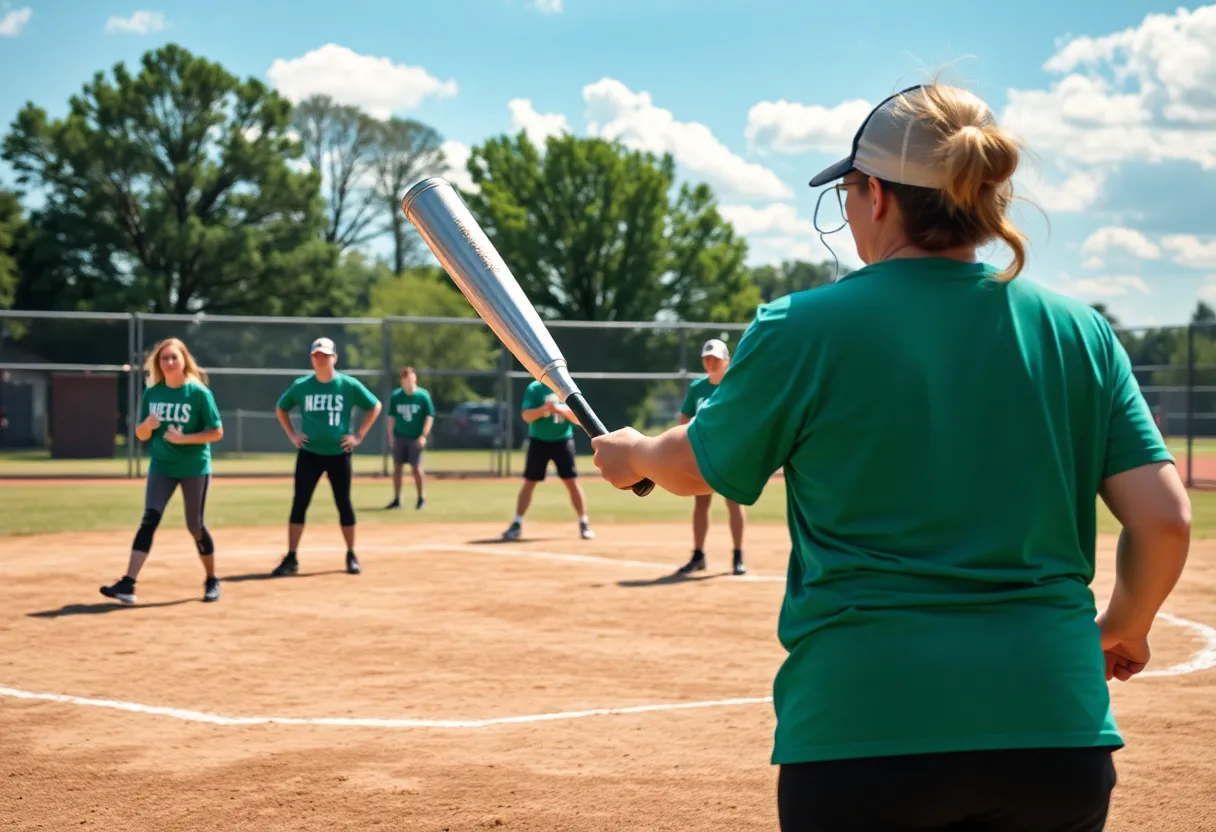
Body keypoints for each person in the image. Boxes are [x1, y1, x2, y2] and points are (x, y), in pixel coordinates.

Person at [589, 80, 1191, 831]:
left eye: (846, 192)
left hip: (864, 730)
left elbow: (700, 464)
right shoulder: (1082, 332)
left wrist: (637, 454)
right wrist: (1125, 627)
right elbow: (1165, 520)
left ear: (875, 196)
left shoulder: (802, 326)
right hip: (1055, 727)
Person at [100, 338, 224, 604]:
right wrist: (147, 424)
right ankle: (128, 583)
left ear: (184, 361)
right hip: (162, 466)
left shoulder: (199, 393)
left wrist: (185, 439)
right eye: (164, 359)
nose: (169, 363)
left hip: (194, 467)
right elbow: (141, 434)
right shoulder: (152, 393)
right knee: (149, 519)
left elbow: (216, 432)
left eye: (173, 358)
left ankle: (212, 579)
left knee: (195, 525)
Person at [270, 337, 382, 577]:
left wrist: (359, 435)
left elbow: (375, 405)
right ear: (312, 358)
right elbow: (281, 407)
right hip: (309, 452)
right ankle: (291, 557)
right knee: (300, 503)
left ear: (334, 358)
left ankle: (351, 554)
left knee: (344, 503)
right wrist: (292, 434)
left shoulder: (348, 385)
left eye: (325, 355)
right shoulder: (302, 385)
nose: (321, 359)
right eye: (316, 355)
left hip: (339, 453)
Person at [676, 338, 746, 576]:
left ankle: (737, 554)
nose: (710, 363)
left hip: (729, 454)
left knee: (733, 502)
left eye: (715, 359)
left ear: (726, 361)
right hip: (703, 455)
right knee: (701, 503)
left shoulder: (734, 385)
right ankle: (698, 554)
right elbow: (684, 418)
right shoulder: (697, 388)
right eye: (707, 359)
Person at [501, 380, 594, 541]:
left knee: (571, 482)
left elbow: (578, 418)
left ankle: (583, 522)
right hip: (539, 441)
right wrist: (545, 409)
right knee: (530, 482)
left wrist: (558, 409)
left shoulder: (567, 387)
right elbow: (526, 415)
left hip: (563, 441)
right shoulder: (535, 388)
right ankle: (517, 523)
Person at [385, 365, 435, 510]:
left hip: (415, 437)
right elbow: (391, 416)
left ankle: (421, 499)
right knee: (397, 468)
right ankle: (397, 499)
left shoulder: (422, 396)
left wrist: (423, 435)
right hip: (400, 436)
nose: (410, 381)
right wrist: (390, 435)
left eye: (412, 378)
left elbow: (429, 416)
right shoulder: (396, 396)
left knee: (416, 468)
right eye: (407, 379)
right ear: (402, 381)